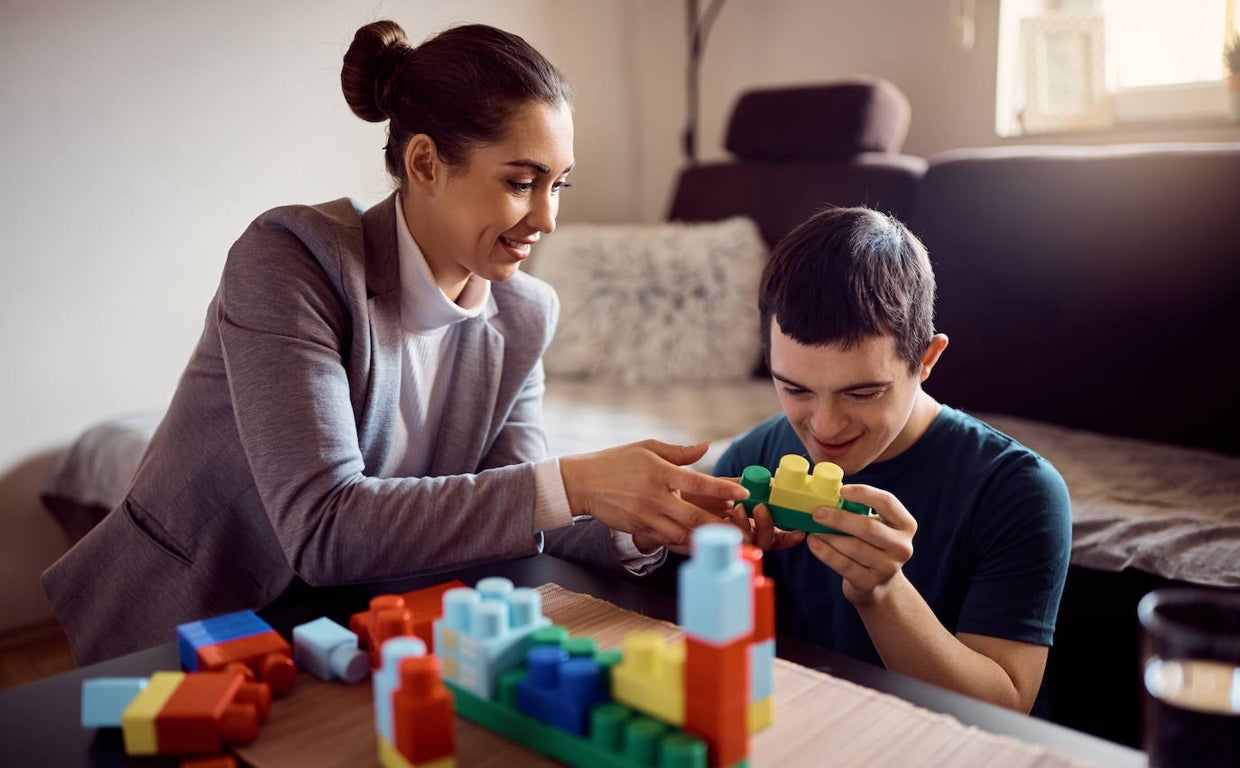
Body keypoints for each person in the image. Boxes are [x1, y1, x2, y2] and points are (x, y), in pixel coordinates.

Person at [42, 20, 746, 665]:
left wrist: (652, 518)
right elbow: (323, 526)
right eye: (521, 183)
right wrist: (580, 480)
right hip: (193, 622)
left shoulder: (525, 313)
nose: (548, 218)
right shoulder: (291, 261)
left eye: (558, 185)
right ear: (424, 165)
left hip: (358, 632)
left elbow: (524, 507)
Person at [711, 206, 1071, 713]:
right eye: (794, 387)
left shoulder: (1017, 491)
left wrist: (882, 593)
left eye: (863, 392)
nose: (824, 426)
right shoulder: (753, 457)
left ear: (926, 360)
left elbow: (1004, 707)